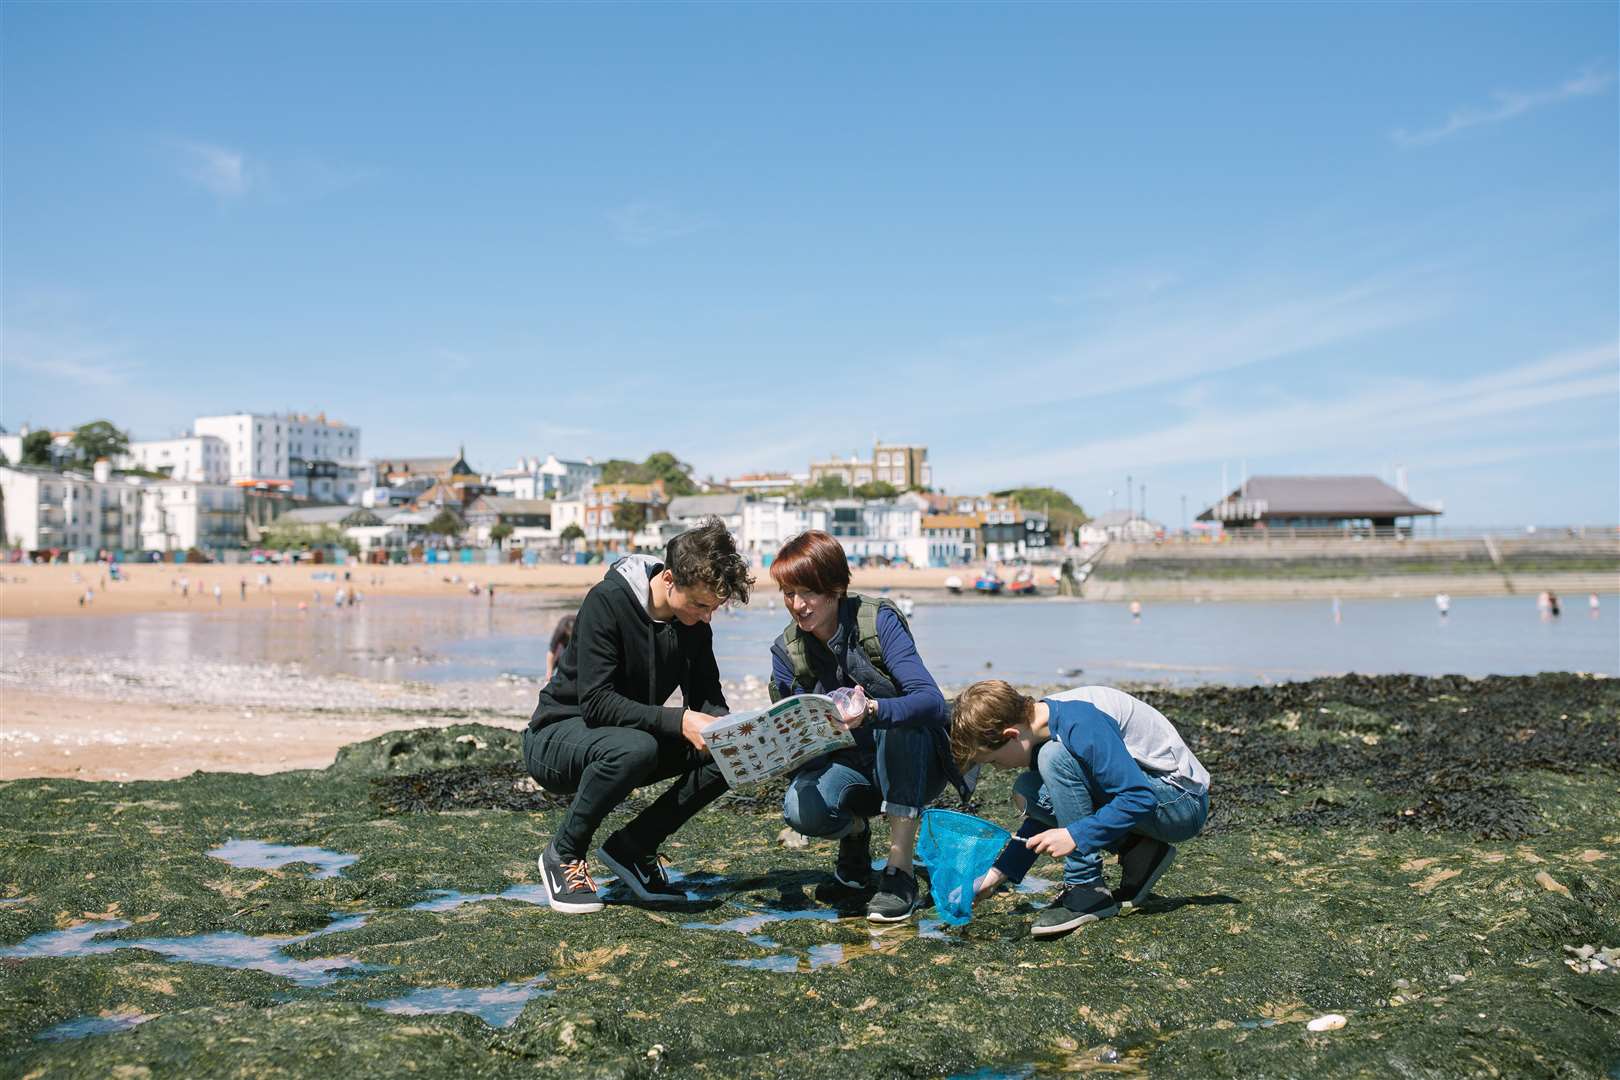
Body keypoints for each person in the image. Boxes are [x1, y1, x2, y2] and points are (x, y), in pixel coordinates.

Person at [521, 518, 753, 915]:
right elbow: (595, 703)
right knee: (636, 748)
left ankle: (633, 850)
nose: (706, 616)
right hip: (555, 737)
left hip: (626, 740)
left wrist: (734, 731)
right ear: (667, 579)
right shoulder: (608, 601)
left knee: (728, 755)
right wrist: (681, 721)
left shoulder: (693, 624)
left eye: (714, 608)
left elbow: (708, 699)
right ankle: (564, 854)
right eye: (700, 604)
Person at [767, 530, 960, 923]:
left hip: (915, 764)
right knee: (798, 809)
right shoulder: (786, 651)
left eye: (808, 593)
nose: (797, 605)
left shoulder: (877, 622)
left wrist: (872, 710)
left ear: (836, 588)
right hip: (851, 770)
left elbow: (931, 701)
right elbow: (792, 733)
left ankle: (900, 871)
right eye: (788, 593)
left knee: (901, 722)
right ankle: (855, 836)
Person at [950, 681, 1210, 939]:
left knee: (1052, 758)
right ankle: (1139, 850)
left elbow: (1139, 798)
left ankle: (1086, 887)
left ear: (1012, 735)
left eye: (993, 761)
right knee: (1029, 791)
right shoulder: (1042, 719)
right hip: (1153, 799)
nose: (998, 769)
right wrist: (996, 875)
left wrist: (1075, 835)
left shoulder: (1081, 723)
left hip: (1180, 804)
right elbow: (1055, 807)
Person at [546, 613, 578, 682]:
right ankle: (558, 677)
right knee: (559, 658)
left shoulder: (580, 628)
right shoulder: (560, 631)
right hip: (564, 642)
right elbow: (551, 652)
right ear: (566, 631)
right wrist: (549, 672)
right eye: (570, 634)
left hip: (577, 637)